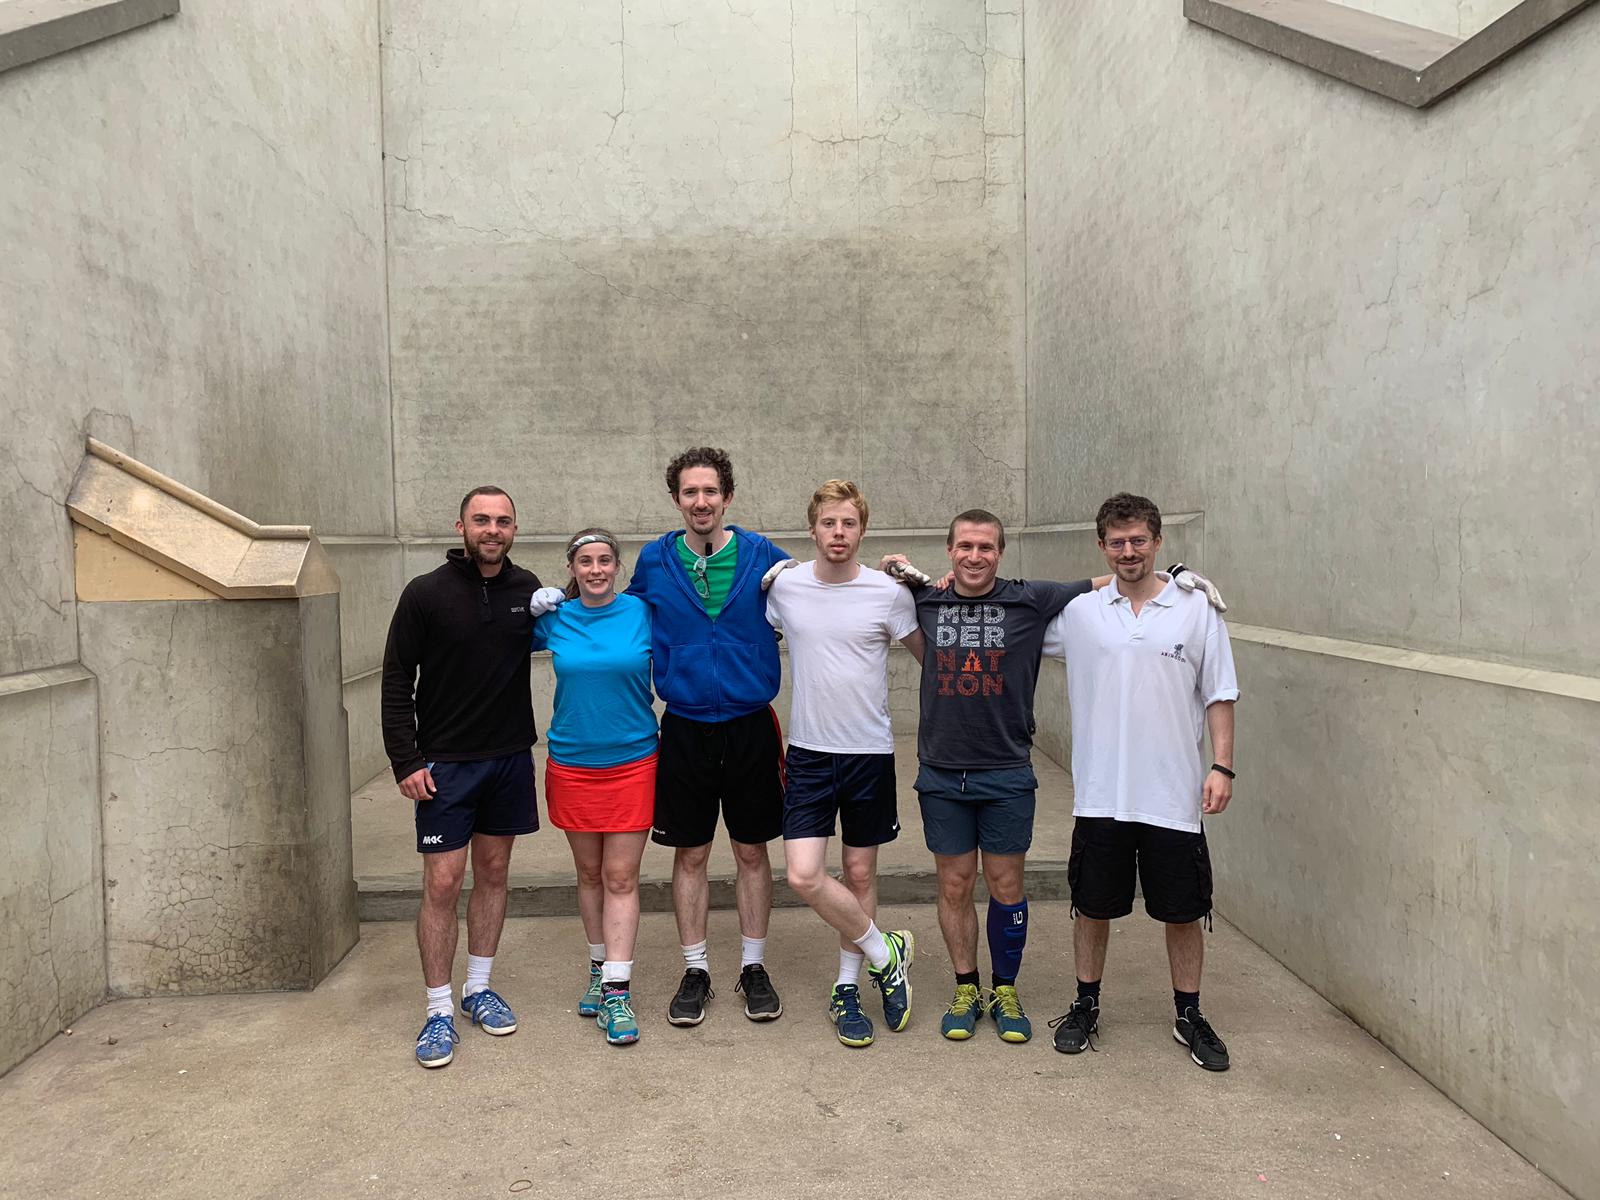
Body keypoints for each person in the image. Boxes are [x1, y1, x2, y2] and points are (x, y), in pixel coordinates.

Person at [883, 513, 1105, 1045]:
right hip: (941, 772)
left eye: (985, 547)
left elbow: (1108, 579)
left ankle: (1005, 990)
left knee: (1006, 885)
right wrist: (895, 566)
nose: (974, 556)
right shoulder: (925, 600)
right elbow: (877, 578)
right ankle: (966, 988)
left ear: (1000, 552)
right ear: (950, 550)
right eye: (964, 546)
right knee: (955, 884)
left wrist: (1174, 577)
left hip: (1006, 771)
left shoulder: (1032, 598)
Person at [1044, 492, 1239, 1071]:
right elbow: (1007, 617)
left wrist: (1222, 766)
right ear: (1102, 547)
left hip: (1173, 794)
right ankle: (1085, 1004)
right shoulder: (1080, 613)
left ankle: (1189, 1014)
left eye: (1139, 540)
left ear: (1157, 542)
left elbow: (1220, 692)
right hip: (1102, 793)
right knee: (1093, 906)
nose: (1129, 551)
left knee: (1182, 910)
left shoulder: (1195, 608)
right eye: (1117, 542)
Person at [381, 486, 562, 1068]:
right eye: (481, 520)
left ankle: (477, 989)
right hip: (444, 765)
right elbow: (394, 682)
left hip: (508, 759)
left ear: (514, 529)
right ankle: (437, 1011)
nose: (492, 529)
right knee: (441, 883)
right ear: (460, 524)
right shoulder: (424, 594)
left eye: (503, 521)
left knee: (493, 872)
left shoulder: (527, 588)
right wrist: (405, 761)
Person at [626, 447, 793, 1025]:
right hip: (686, 728)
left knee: (752, 849)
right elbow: (611, 607)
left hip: (750, 725)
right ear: (676, 499)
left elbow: (829, 586)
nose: (701, 502)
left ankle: (753, 965)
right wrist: (555, 604)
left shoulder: (766, 557)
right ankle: (696, 968)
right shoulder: (653, 561)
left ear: (727, 496)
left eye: (711, 491)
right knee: (691, 852)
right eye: (690, 492)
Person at [765, 481, 923, 1047]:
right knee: (805, 874)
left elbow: (935, 659)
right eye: (829, 523)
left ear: (862, 530)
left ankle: (848, 986)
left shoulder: (888, 593)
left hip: (870, 753)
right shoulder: (785, 586)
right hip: (809, 752)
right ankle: (887, 950)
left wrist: (922, 588)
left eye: (849, 524)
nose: (839, 534)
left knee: (859, 875)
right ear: (813, 528)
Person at [531, 528, 656, 1047]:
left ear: (618, 567)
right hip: (572, 763)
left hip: (633, 762)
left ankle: (617, 993)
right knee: (588, 874)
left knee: (621, 876)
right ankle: (598, 967)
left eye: (605, 560)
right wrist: (527, 606)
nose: (597, 569)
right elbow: (491, 634)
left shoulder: (642, 613)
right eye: (586, 561)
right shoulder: (554, 619)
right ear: (573, 568)